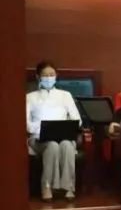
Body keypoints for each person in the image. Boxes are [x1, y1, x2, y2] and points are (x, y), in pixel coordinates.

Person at [25, 60, 81, 200]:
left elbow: (77, 120)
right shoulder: (30, 97)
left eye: (52, 75)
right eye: (45, 75)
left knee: (67, 145)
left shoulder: (65, 95)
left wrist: (63, 127)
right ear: (38, 77)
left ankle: (68, 187)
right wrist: (43, 127)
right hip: (39, 138)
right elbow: (26, 124)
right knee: (52, 146)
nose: (49, 78)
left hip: (63, 136)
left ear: (56, 76)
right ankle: (47, 187)